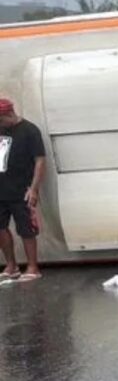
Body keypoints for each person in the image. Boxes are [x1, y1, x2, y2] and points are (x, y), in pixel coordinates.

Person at [0, 99, 45, 282]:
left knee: (26, 229)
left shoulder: (29, 130)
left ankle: (33, 267)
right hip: (1, 188)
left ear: (9, 114)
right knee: (1, 228)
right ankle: (11, 265)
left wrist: (34, 189)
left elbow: (40, 161)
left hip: (22, 189)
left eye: (1, 120)